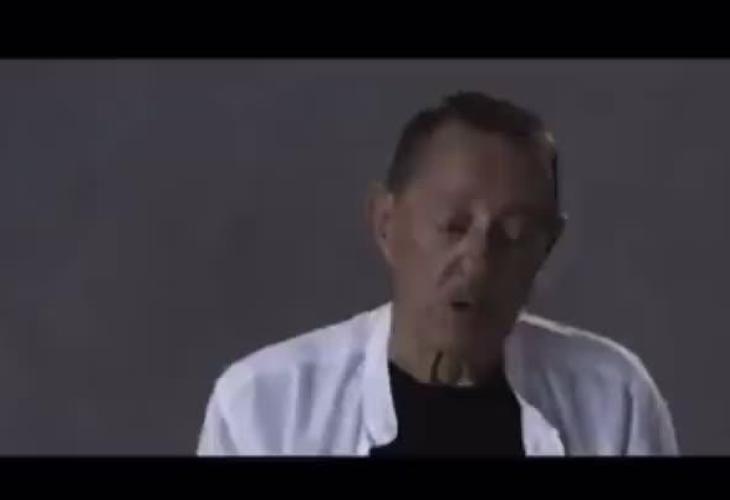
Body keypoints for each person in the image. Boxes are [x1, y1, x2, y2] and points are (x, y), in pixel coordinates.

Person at [197, 91, 678, 456]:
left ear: (546, 248)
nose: (479, 261)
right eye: (453, 226)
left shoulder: (613, 398)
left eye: (513, 234)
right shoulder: (264, 405)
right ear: (385, 224)